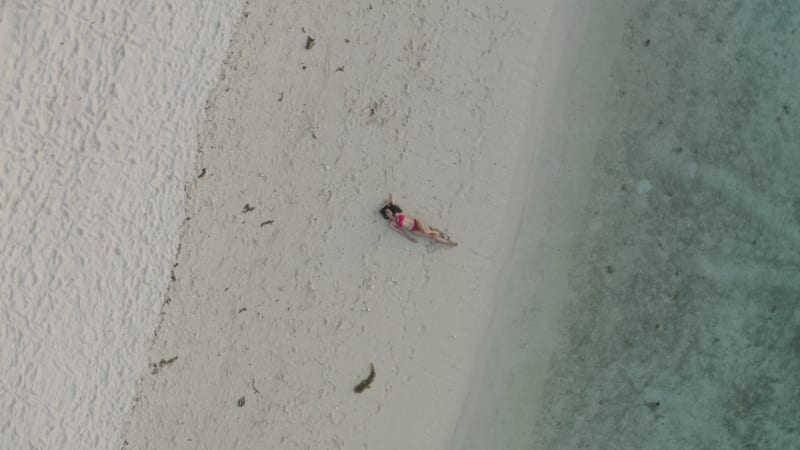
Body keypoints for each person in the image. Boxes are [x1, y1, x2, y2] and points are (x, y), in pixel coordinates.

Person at [378, 194, 457, 245]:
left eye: (389, 210)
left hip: (416, 222)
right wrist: (409, 238)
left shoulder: (397, 213)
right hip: (413, 230)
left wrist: (386, 204)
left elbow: (392, 197)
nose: (390, 212)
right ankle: (449, 242)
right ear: (386, 216)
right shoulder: (392, 224)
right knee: (432, 236)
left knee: (426, 231)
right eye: (388, 212)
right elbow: (401, 232)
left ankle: (433, 231)